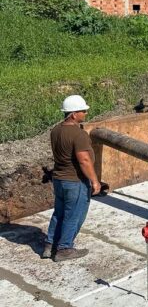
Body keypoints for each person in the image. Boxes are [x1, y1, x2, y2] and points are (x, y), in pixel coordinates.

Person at [44, 95, 101, 261]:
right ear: (74, 114)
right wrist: (95, 181)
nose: (85, 113)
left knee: (59, 213)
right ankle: (64, 249)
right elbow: (83, 160)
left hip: (59, 180)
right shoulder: (79, 134)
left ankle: (49, 245)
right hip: (75, 182)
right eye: (83, 111)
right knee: (73, 215)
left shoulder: (56, 130)